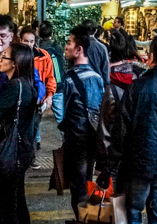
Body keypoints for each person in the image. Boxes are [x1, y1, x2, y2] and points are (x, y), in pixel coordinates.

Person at [104, 35, 157, 224]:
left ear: (149, 57)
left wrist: (109, 167)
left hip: (137, 167)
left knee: (132, 213)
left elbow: (121, 133)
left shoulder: (135, 89)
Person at [0, 43, 41, 224]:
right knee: (16, 200)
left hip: (8, 150)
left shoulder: (14, 86)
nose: (0, 59)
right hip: (20, 150)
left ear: (15, 63)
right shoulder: (26, 85)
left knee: (5, 203)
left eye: (5, 56)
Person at [59, 24, 105, 215]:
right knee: (87, 182)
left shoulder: (69, 79)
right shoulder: (97, 77)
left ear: (79, 50)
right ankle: (91, 217)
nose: (66, 47)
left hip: (75, 139)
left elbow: (62, 114)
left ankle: (82, 218)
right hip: (93, 139)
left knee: (78, 189)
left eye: (69, 43)